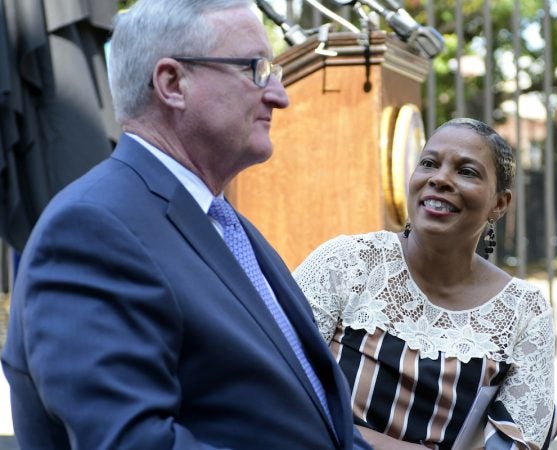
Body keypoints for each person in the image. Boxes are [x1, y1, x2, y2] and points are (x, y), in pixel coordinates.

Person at [0, 1, 372, 449]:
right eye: (255, 69)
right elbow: (133, 442)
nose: (279, 94)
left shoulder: (220, 222)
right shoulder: (92, 229)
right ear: (172, 83)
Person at [294, 118, 557, 450]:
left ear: (499, 204)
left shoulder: (524, 310)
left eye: (466, 171)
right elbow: (283, 390)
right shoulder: (347, 262)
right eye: (429, 163)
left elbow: (521, 442)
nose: (439, 179)